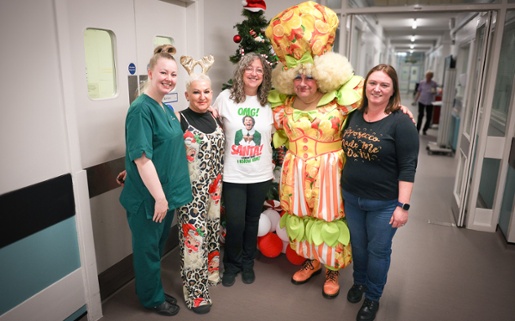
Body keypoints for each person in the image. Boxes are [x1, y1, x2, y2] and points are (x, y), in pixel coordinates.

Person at [264, 1, 362, 299]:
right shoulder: (283, 104)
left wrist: (401, 110)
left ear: (322, 75)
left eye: (309, 76)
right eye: (297, 76)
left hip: (330, 171)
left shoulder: (341, 99)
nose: (303, 82)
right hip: (295, 169)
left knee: (329, 219)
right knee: (302, 216)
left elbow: (377, 110)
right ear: (288, 78)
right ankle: (313, 261)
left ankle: (332, 269)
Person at [341, 64, 419, 321]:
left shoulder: (401, 122)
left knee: (378, 251)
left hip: (384, 203)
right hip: (352, 197)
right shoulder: (353, 115)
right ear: (365, 86)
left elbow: (408, 166)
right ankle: (359, 283)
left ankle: (372, 297)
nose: (377, 88)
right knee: (359, 248)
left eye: (384, 85)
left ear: (393, 89)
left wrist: (403, 206)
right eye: (373, 83)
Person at [119, 44, 191, 316]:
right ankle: (150, 298)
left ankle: (153, 291)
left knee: (156, 250)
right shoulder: (141, 110)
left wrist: (128, 169)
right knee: (147, 253)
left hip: (163, 195)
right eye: (163, 72)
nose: (169, 79)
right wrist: (160, 198)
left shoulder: (164, 108)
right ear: (150, 72)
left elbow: (156, 149)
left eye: (173, 74)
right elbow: (142, 158)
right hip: (149, 200)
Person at [213, 52, 274, 287]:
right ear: (241, 71)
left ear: (264, 75)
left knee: (252, 221)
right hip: (233, 174)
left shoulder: (268, 102)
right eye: (250, 68)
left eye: (259, 70)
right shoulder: (226, 98)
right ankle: (232, 265)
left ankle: (248, 263)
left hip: (260, 174)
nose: (254, 73)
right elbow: (207, 120)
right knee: (235, 222)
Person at [175, 55, 224, 314]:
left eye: (206, 91)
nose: (202, 96)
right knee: (194, 242)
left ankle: (210, 275)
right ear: (187, 94)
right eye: (196, 92)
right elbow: (165, 152)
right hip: (191, 194)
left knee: (213, 233)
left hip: (215, 190)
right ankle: (195, 292)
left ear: (211, 93)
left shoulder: (215, 117)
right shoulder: (178, 118)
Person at [413, 70, 438, 135]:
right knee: (420, 115)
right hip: (422, 101)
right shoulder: (422, 83)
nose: (428, 77)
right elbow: (419, 92)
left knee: (429, 117)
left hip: (430, 102)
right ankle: (417, 129)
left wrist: (434, 91)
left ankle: (425, 129)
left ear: (431, 77)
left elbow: (435, 92)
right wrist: (415, 100)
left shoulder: (434, 84)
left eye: (430, 76)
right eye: (427, 76)